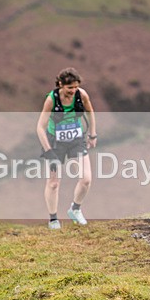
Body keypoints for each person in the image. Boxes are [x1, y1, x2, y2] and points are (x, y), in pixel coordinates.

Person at [36, 67, 97, 229]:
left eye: (76, 87)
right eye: (70, 88)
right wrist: (48, 151)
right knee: (54, 182)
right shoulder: (51, 99)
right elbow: (40, 128)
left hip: (76, 139)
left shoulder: (81, 95)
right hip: (54, 142)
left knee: (86, 179)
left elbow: (90, 112)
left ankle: (75, 209)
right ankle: (53, 219)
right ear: (60, 85)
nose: (73, 91)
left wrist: (92, 134)